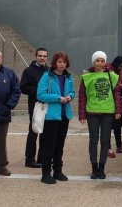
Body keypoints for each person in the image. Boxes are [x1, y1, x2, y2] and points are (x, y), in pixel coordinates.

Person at [78, 51, 122, 179]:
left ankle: (102, 168)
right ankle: (94, 168)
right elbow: (82, 96)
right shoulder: (86, 76)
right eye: (97, 60)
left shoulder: (111, 75)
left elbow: (117, 94)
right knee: (93, 140)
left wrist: (118, 111)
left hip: (108, 112)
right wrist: (82, 114)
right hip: (92, 112)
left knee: (105, 141)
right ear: (93, 62)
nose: (100, 63)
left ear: (105, 62)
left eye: (102, 61)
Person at [36, 51, 75, 184]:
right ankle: (46, 173)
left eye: (64, 62)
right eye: (59, 62)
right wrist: (58, 98)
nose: (62, 64)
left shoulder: (68, 77)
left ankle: (58, 171)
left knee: (60, 145)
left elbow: (72, 92)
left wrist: (70, 96)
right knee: (48, 146)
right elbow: (40, 95)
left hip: (64, 115)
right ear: (54, 63)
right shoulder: (47, 76)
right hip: (51, 116)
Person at [20, 47, 49, 168]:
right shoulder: (28, 71)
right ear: (36, 56)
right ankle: (29, 159)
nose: (42, 58)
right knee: (33, 133)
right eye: (40, 56)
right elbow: (24, 88)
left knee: (45, 134)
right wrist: (40, 91)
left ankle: (42, 159)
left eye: (44, 56)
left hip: (48, 105)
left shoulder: (49, 71)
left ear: (47, 57)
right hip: (35, 106)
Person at [0, 49, 21, 176]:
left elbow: (16, 91)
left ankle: (1, 166)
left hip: (3, 113)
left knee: (0, 141)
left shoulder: (9, 73)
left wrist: (8, 106)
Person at [107, 56, 122, 158]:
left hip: (119, 102)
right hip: (108, 102)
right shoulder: (109, 71)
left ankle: (119, 146)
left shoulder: (121, 72)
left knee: (117, 126)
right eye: (120, 66)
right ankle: (107, 148)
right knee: (107, 127)